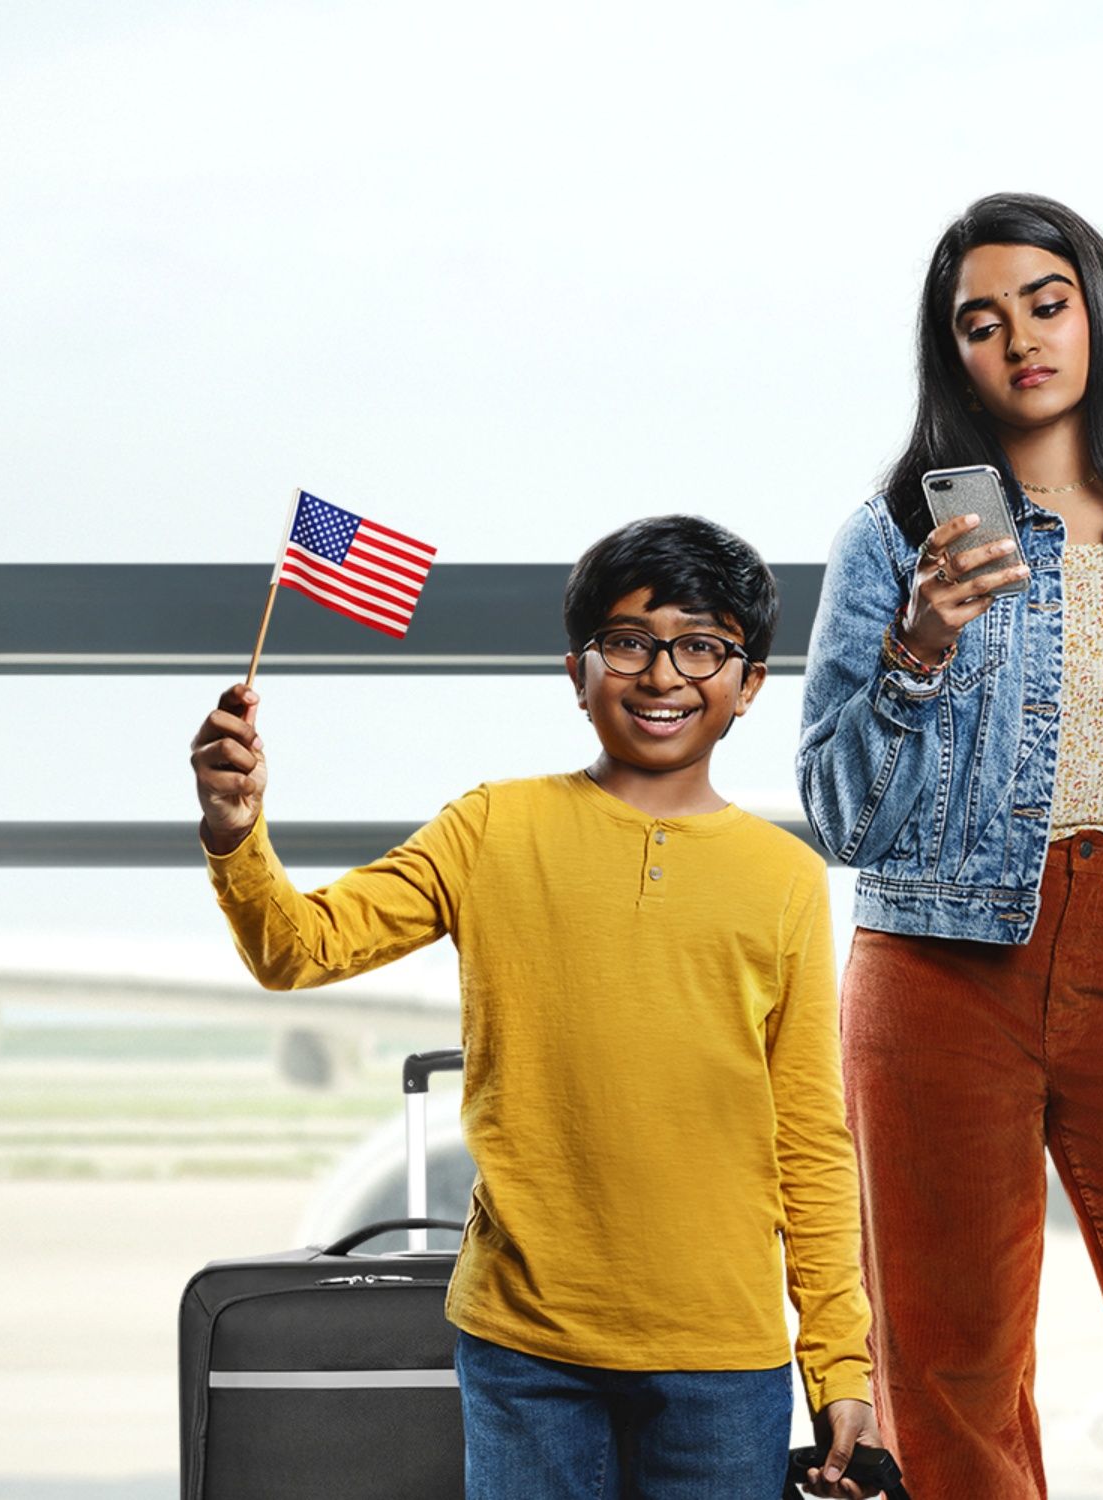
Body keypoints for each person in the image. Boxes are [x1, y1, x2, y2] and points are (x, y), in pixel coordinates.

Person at [189, 516, 885, 1499]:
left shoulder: (783, 877)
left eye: (700, 646)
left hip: (723, 1357)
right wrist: (235, 832)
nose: (662, 675)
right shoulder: (491, 828)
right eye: (629, 643)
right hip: (525, 1352)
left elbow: (810, 1137)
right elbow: (298, 949)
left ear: (750, 684)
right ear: (577, 670)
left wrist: (840, 1363)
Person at [795, 191, 1103, 1498]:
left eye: (1046, 302)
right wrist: (914, 654)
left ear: (1098, 314)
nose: (1019, 338)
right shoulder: (896, 536)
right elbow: (841, 816)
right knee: (951, 1377)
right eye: (980, 321)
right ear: (950, 355)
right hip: (933, 974)